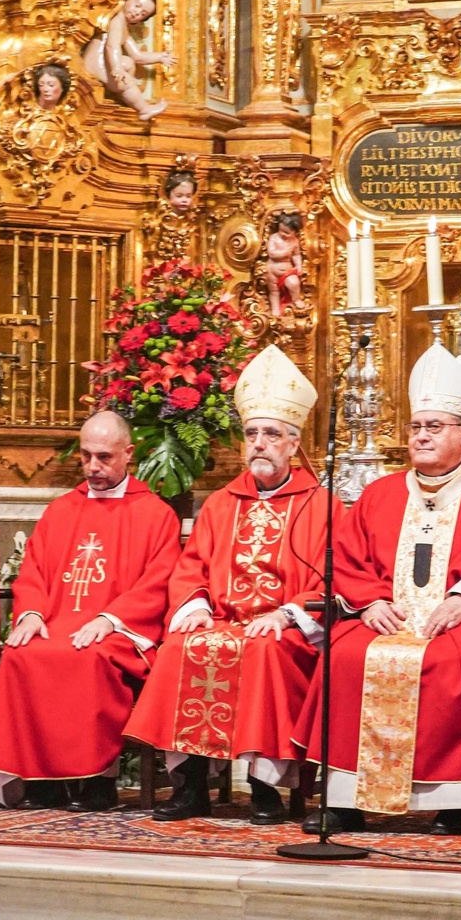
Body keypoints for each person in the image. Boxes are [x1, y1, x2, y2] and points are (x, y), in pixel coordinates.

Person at [297, 342, 461, 836]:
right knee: (344, 655)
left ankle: (454, 801)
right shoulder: (382, 492)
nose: (421, 437)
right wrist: (371, 602)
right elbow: (348, 559)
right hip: (387, 616)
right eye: (416, 427)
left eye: (434, 427)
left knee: (453, 660)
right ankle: (343, 801)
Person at [124, 346, 338, 823]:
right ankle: (189, 784)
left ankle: (266, 790)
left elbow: (333, 577)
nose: (259, 443)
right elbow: (191, 565)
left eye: (271, 434)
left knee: (262, 648)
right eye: (252, 434)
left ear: (292, 443)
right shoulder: (222, 502)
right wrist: (195, 604)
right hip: (222, 619)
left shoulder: (321, 504)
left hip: (286, 631)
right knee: (181, 644)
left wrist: (287, 614)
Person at [0, 412, 180, 811]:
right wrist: (32, 613)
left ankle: (95, 783)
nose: (93, 467)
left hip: (118, 630)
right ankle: (40, 781)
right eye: (85, 456)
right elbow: (33, 569)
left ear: (129, 454)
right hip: (57, 622)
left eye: (103, 457)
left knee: (87, 658)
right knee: (22, 656)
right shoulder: (61, 510)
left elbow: (158, 581)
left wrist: (109, 620)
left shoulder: (155, 514)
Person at [83, 0, 174, 121]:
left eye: (143, 14)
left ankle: (123, 94)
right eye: (137, 5)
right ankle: (144, 109)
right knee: (126, 82)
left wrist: (160, 57)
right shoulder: (116, 20)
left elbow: (137, 56)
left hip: (103, 60)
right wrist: (117, 68)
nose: (137, 12)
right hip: (95, 62)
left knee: (129, 62)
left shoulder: (124, 27)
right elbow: (111, 46)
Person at [265, 212, 304, 317]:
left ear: (295, 232)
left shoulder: (295, 241)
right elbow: (271, 253)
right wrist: (284, 253)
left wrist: (299, 266)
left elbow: (296, 255)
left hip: (286, 269)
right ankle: (275, 308)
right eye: (281, 230)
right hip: (272, 268)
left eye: (287, 232)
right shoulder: (274, 238)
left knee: (294, 283)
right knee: (274, 291)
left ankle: (296, 299)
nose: (283, 234)